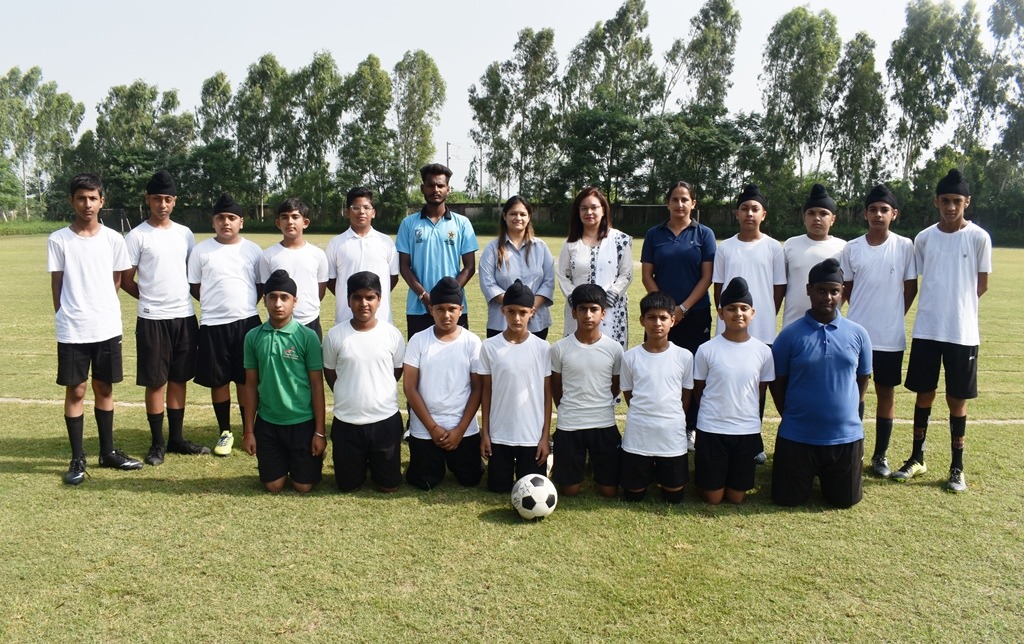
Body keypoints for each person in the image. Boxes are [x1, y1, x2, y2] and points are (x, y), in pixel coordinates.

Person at [891, 169, 992, 493]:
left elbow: (982, 284)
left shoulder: (979, 237)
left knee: (956, 399)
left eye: (956, 201)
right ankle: (917, 457)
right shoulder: (924, 238)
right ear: (937, 202)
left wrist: (956, 307)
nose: (951, 207)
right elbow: (915, 277)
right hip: (927, 330)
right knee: (924, 394)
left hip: (962, 333)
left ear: (967, 202)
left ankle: (956, 467)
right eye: (945, 201)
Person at [49, 173, 143, 484]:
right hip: (73, 329)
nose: (87, 204)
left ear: (102, 201)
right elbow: (57, 284)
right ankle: (77, 458)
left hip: (106, 326)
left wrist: (100, 308)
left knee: (104, 388)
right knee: (76, 390)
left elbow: (117, 281)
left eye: (93, 198)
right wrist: (65, 315)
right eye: (81, 198)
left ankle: (108, 452)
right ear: (71, 201)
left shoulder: (115, 239)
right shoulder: (59, 239)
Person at [121, 170, 208, 466]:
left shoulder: (184, 233)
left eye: (167, 199)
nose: (162, 204)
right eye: (156, 199)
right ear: (148, 200)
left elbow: (191, 273)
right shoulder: (136, 236)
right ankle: (157, 443)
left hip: (183, 316)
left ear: (175, 201)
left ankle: (177, 439)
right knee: (156, 382)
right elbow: (126, 279)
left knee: (179, 379)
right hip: (152, 319)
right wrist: (148, 298)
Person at [769, 259, 871, 508]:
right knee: (787, 500)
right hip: (797, 436)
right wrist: (792, 415)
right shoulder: (789, 336)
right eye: (821, 290)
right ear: (808, 290)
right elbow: (778, 383)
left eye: (834, 291)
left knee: (844, 502)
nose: (828, 297)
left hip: (845, 439)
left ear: (842, 292)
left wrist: (846, 411)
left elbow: (863, 378)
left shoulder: (858, 334)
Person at [840, 184, 917, 478]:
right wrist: (861, 315)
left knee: (886, 393)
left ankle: (880, 456)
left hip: (890, 336)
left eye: (884, 209)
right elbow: (846, 289)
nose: (878, 214)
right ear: (865, 214)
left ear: (893, 214)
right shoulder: (852, 248)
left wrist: (893, 315)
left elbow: (910, 288)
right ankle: (853, 449)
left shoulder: (904, 246)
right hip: (857, 336)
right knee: (855, 391)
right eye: (873, 209)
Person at [187, 192, 263, 457]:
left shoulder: (252, 250)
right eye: (221, 218)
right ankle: (225, 432)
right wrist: (215, 305)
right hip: (213, 324)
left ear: (241, 221)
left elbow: (260, 285)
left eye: (232, 218)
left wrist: (243, 306)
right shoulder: (201, 250)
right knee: (218, 381)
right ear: (213, 222)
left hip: (247, 323)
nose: (226, 222)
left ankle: (248, 430)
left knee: (246, 380)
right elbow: (195, 286)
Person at [240, 270, 325, 493]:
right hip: (268, 423)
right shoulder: (253, 337)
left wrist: (319, 432)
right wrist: (249, 431)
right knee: (273, 486)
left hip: (302, 422)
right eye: (272, 297)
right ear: (264, 300)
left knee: (303, 486)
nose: (278, 303)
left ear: (294, 302)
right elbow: (250, 386)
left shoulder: (307, 337)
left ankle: (304, 461)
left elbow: (317, 386)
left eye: (285, 297)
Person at [322, 271, 406, 492]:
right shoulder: (335, 335)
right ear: (348, 300)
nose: (364, 303)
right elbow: (330, 372)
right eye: (357, 297)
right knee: (347, 486)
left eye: (370, 297)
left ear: (379, 300)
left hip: (385, 421)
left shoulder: (392, 334)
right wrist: (348, 392)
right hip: (347, 423)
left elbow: (397, 370)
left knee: (389, 487)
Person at [693, 278, 774, 505]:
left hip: (745, 430)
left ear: (753, 313)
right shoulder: (706, 350)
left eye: (743, 308)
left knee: (736, 498)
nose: (737, 313)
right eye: (731, 308)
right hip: (712, 428)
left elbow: (760, 391)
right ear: (720, 313)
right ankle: (707, 476)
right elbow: (700, 389)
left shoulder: (763, 352)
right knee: (714, 498)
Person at [403, 277, 484, 490]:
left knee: (471, 479)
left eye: (452, 309)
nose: (446, 315)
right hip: (426, 428)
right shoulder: (418, 340)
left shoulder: (472, 342)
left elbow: (478, 388)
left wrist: (459, 430)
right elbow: (409, 388)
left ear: (461, 309)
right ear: (431, 309)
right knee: (424, 481)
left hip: (462, 427)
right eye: (440, 309)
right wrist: (433, 428)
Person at [477, 280, 552, 493]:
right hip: (500, 434)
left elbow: (547, 395)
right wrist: (486, 434)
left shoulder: (543, 348)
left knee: (531, 488)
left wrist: (545, 438)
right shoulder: (489, 347)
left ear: (532, 312)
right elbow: (486, 392)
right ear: (502, 311)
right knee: (498, 488)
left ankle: (549, 459)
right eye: (511, 311)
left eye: (522, 312)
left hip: (531, 436)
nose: (516, 318)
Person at [619, 292, 693, 503]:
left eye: (663, 318)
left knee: (674, 497)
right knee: (634, 496)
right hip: (639, 434)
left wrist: (673, 417)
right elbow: (628, 393)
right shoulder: (630, 357)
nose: (657, 323)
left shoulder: (684, 356)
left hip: (671, 434)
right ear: (642, 320)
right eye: (651, 317)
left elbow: (686, 395)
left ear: (673, 320)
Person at [550, 284, 623, 498]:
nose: (588, 315)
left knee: (609, 491)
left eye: (593, 309)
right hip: (570, 425)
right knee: (570, 491)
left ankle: (597, 466)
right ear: (574, 312)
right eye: (582, 309)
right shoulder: (560, 348)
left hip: (604, 424)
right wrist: (568, 408)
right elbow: (556, 387)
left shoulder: (614, 349)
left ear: (603, 313)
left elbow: (615, 385)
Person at [396, 163, 478, 338]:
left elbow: (469, 267)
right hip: (418, 307)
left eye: (440, 185)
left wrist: (448, 296)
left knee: (457, 360)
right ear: (422, 188)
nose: (436, 189)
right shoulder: (408, 224)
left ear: (448, 189)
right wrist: (424, 296)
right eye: (430, 185)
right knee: (420, 360)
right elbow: (404, 267)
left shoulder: (462, 223)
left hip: (453, 307)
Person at [641, 180, 716, 354]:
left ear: (693, 203)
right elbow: (646, 276)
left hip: (696, 312)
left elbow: (707, 277)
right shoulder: (654, 234)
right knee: (658, 362)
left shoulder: (705, 234)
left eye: (684, 199)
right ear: (668, 203)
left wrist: (682, 308)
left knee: (694, 366)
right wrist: (667, 309)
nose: (679, 204)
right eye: (675, 199)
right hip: (662, 315)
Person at [557, 186, 633, 348]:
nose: (589, 212)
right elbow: (563, 275)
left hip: (611, 310)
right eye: (584, 208)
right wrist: (574, 299)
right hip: (579, 311)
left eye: (594, 207)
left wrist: (608, 298)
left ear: (603, 210)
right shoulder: (571, 243)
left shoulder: (620, 240)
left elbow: (626, 274)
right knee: (577, 353)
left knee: (611, 358)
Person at [712, 183, 785, 346]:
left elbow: (779, 289)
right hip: (729, 325)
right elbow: (718, 288)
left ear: (763, 214)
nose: (749, 214)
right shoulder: (724, 247)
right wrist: (727, 312)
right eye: (744, 209)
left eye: (755, 209)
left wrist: (767, 313)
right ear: (737, 214)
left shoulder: (774, 247)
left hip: (763, 328)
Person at [478, 196, 555, 339]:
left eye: (522, 214)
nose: (518, 218)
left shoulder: (541, 247)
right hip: (501, 323)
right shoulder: (492, 249)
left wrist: (530, 307)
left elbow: (548, 282)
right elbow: (488, 284)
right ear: (504, 216)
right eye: (513, 213)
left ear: (529, 217)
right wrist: (516, 308)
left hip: (536, 321)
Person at [326, 186, 399, 326]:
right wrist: (354, 297)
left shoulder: (386, 242)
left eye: (366, 207)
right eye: (355, 207)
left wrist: (371, 297)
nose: (361, 212)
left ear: (373, 212)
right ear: (347, 212)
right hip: (346, 318)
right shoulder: (336, 244)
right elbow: (331, 280)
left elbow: (393, 277)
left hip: (381, 319)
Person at [259, 198, 328, 340]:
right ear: (278, 223)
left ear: (305, 223)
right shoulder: (268, 256)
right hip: (278, 324)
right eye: (284, 217)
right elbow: (267, 290)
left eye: (295, 217)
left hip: (310, 321)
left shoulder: (318, 255)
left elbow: (319, 291)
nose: (290, 222)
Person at [781, 183, 846, 329]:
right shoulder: (790, 245)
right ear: (804, 218)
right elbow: (780, 284)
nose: (817, 218)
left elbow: (847, 287)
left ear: (833, 219)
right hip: (793, 325)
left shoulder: (843, 248)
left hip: (829, 326)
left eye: (823, 213)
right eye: (811, 213)